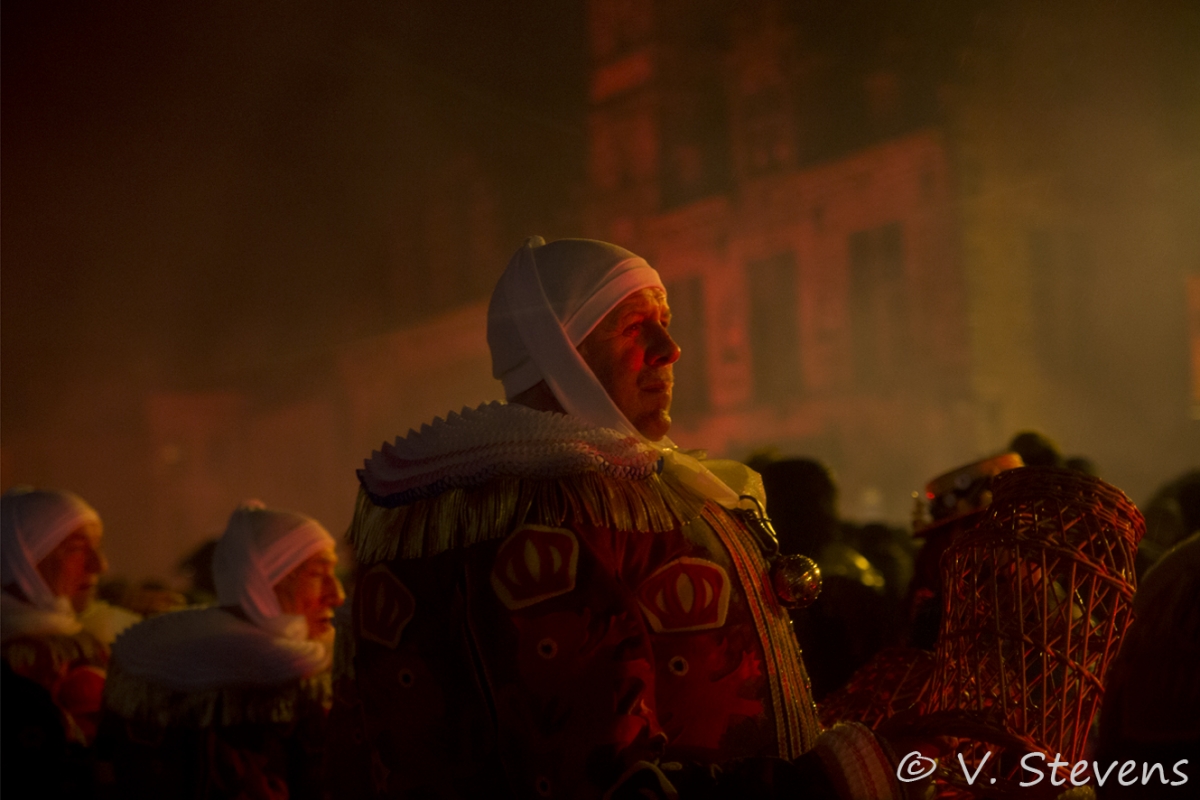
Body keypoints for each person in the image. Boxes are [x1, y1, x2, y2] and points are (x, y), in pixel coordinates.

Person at [328, 238, 909, 799]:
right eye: (634, 325)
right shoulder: (557, 512)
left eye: (665, 319)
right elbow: (600, 775)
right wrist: (826, 782)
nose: (670, 347)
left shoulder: (622, 490)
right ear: (561, 352)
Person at [98, 501, 345, 800]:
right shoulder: (300, 682)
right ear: (264, 582)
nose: (337, 595)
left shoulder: (141, 663)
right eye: (318, 575)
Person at [1, 486, 115, 797]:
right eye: (77, 548)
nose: (99, 565)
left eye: (97, 547)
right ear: (23, 557)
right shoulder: (17, 655)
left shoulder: (82, 636)